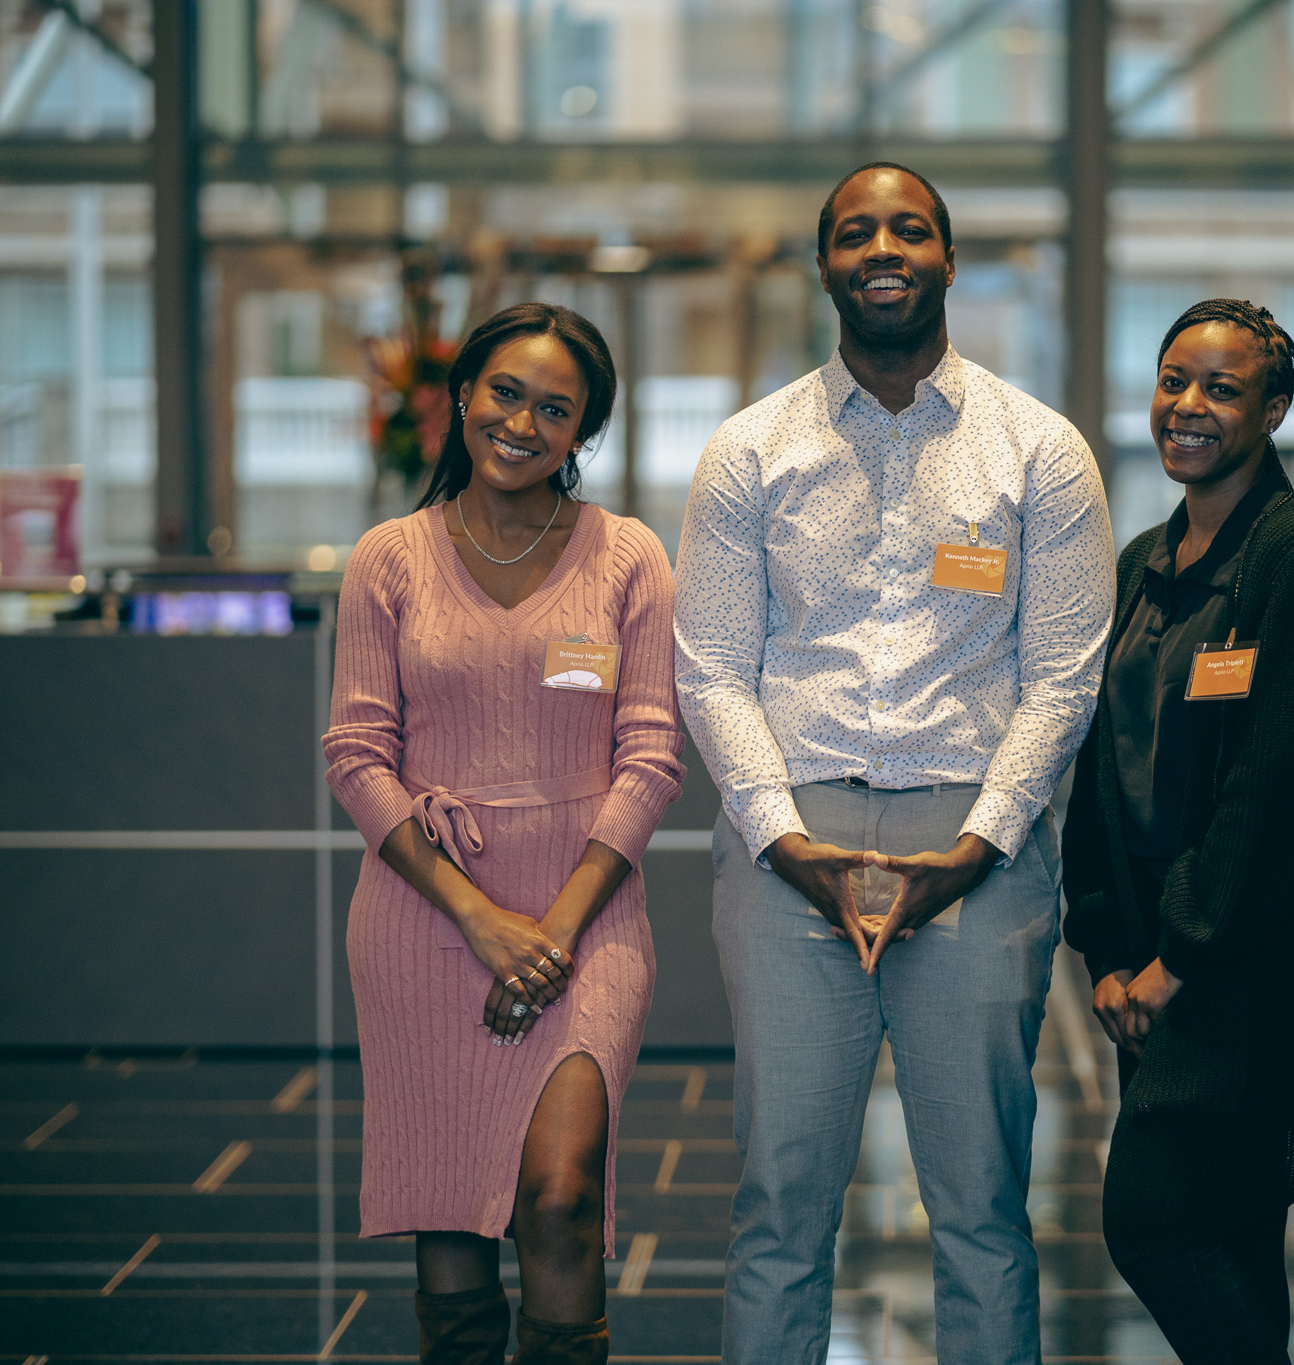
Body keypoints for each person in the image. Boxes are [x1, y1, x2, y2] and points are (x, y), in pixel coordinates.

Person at [674, 162, 1113, 1363]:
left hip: (977, 848)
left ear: (947, 260)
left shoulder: (1039, 451)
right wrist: (784, 841)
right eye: (856, 233)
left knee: (981, 1208)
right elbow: (709, 671)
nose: (883, 250)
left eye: (908, 230)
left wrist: (977, 846)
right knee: (778, 1204)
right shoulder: (748, 450)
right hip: (786, 849)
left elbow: (1064, 678)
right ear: (823, 264)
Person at [323, 302, 685, 1365]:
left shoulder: (628, 556)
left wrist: (553, 933)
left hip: (587, 917)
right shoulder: (388, 558)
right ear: (463, 395)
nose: (523, 423)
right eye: (506, 394)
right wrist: (481, 921)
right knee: (449, 1222)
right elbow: (356, 755)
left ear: (583, 433)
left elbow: (652, 755)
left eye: (555, 409)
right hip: (427, 917)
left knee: (560, 1196)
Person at [1061, 299, 1294, 1362]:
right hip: (1155, 950)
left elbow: (1276, 785)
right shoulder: (1140, 563)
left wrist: (1181, 959)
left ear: (1274, 411)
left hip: (1260, 956)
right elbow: (1098, 768)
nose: (1187, 406)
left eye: (1222, 388)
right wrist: (1110, 953)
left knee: (1152, 1219)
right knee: (1233, 1229)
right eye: (1173, 381)